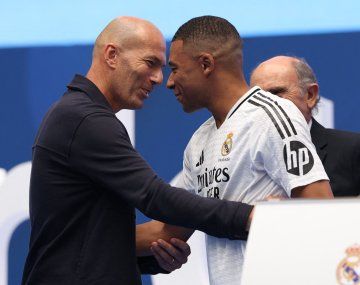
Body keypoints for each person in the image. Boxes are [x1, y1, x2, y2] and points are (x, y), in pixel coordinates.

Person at [21, 16, 258, 285]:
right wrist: (250, 216)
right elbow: (154, 196)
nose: (159, 79)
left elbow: (83, 239)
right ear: (112, 55)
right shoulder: (85, 119)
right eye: (150, 63)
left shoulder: (80, 115)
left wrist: (150, 259)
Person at [136, 16, 333, 285]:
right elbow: (169, 230)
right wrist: (84, 241)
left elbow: (322, 211)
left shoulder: (273, 115)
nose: (169, 82)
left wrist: (276, 219)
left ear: (206, 64)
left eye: (175, 69)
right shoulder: (198, 142)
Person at [250, 55, 360, 196]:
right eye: (258, 97)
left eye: (276, 93)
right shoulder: (240, 156)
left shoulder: (352, 150)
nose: (266, 104)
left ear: (310, 95)